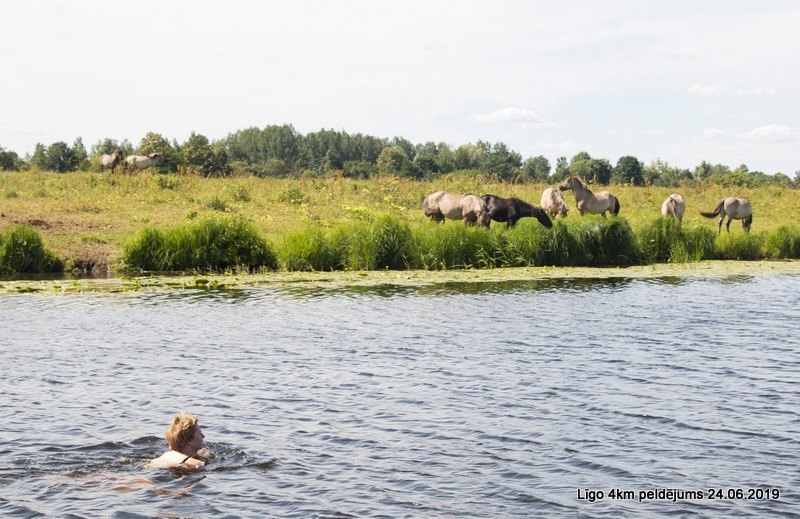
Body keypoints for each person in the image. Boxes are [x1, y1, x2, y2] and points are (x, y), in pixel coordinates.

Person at [147, 412, 212, 469]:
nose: (203, 436)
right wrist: (206, 459)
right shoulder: (195, 463)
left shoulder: (164, 456)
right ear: (189, 440)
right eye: (199, 433)